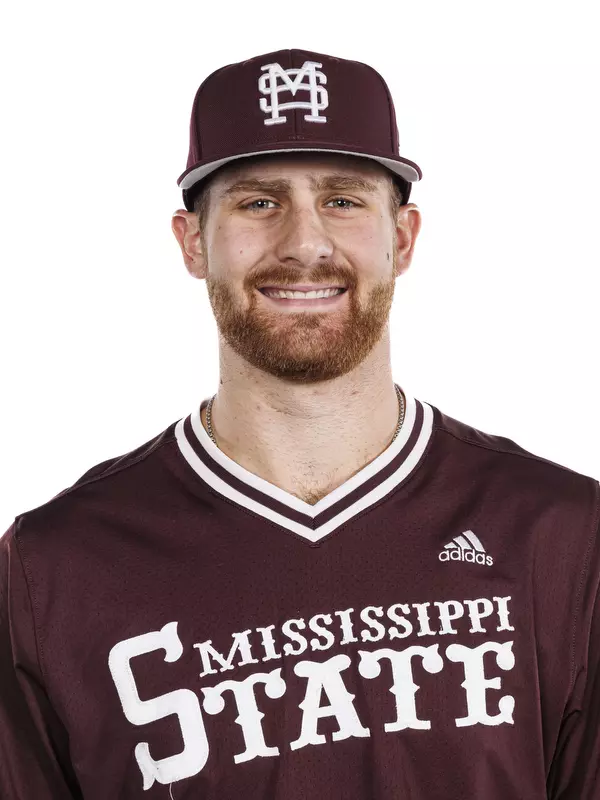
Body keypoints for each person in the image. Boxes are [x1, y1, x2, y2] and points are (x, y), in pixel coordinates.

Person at [0, 47, 598, 800]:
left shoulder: (563, 537)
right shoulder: (53, 571)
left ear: (403, 238)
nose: (304, 243)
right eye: (258, 202)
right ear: (192, 242)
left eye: (343, 201)